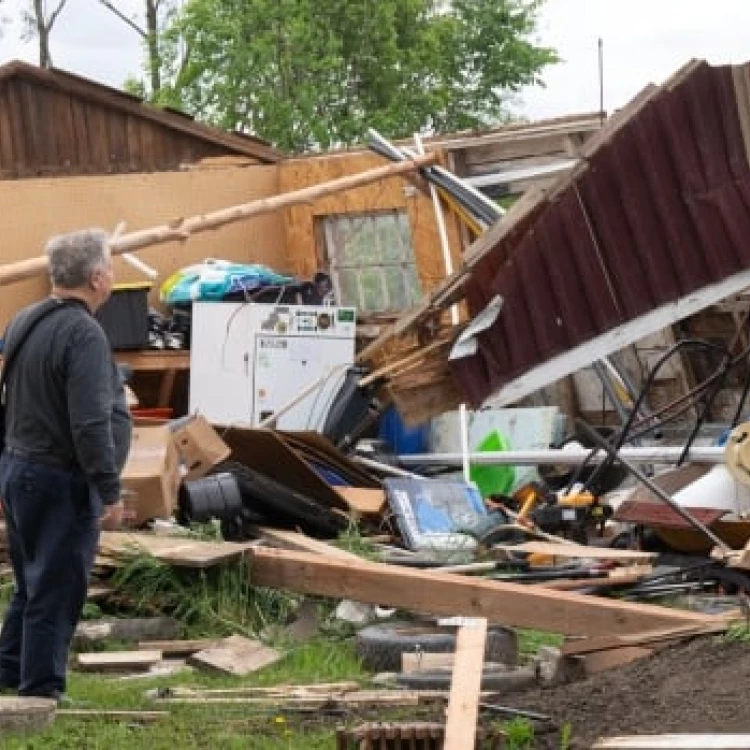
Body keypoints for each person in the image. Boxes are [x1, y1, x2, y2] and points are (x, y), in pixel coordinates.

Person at [0, 228, 132, 701]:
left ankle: (10, 672)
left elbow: (9, 398)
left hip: (19, 469)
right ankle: (39, 694)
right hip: (58, 478)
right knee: (54, 589)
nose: (113, 277)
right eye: (112, 268)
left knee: (30, 584)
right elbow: (90, 425)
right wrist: (110, 491)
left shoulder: (23, 319)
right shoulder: (83, 333)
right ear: (97, 278)